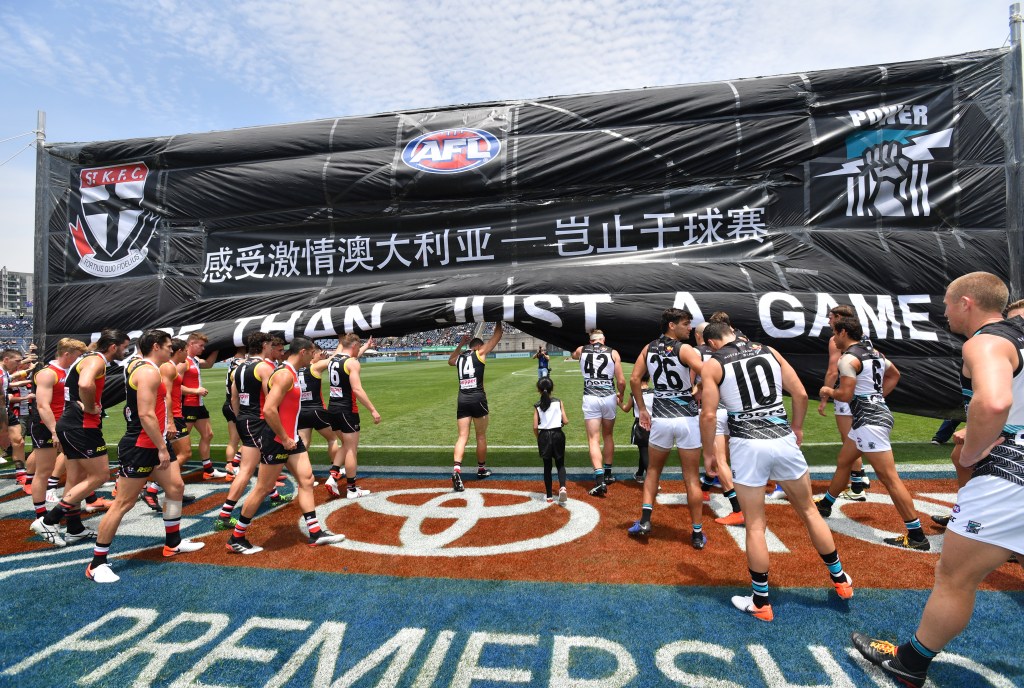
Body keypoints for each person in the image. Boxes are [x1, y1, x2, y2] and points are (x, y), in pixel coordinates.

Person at [852, 272, 1024, 687]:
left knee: (954, 578)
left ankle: (909, 663)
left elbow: (994, 401)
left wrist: (972, 451)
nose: (943, 312)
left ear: (966, 302)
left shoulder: (985, 341)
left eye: (946, 303)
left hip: (1009, 474)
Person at [700, 322, 853, 622]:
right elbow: (799, 393)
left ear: (713, 343)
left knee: (755, 526)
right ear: (732, 330)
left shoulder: (714, 363)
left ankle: (761, 602)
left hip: (748, 445)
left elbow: (708, 414)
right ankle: (840, 579)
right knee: (809, 511)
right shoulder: (769, 350)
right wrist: (797, 427)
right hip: (782, 438)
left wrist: (709, 453)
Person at [84, 330, 205, 583]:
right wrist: (161, 447)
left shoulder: (143, 367)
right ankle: (97, 563)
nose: (172, 350)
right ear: (156, 346)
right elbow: (146, 413)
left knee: (175, 487)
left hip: (153, 440)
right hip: (142, 444)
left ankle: (173, 542)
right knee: (123, 503)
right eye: (168, 346)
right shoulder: (148, 371)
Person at [817, 316, 929, 550]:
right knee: (844, 461)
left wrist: (828, 390)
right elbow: (894, 375)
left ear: (844, 332)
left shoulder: (848, 359)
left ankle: (917, 536)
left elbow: (845, 395)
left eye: (835, 333)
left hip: (869, 422)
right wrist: (876, 398)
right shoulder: (876, 353)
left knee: (889, 478)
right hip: (871, 418)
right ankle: (826, 505)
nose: (833, 339)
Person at [226, 337, 345, 553]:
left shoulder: (292, 372)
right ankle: (237, 537)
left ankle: (315, 532)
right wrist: (284, 437)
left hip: (291, 439)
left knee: (307, 480)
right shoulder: (284, 375)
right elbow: (269, 409)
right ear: (303, 352)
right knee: (263, 488)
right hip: (277, 439)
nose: (314, 356)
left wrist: (291, 437)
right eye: (312, 353)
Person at [626, 309, 707, 549]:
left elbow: (634, 379)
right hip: (686, 418)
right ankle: (696, 533)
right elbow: (708, 372)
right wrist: (698, 390)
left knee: (652, 471)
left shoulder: (648, 348)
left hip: (661, 418)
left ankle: (645, 521)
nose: (689, 328)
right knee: (691, 478)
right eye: (685, 324)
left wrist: (642, 409)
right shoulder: (685, 349)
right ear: (671, 325)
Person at [38, 330, 130, 541]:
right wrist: (89, 407)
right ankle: (49, 520)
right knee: (100, 476)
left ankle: (74, 528)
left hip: (71, 425)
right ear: (113, 346)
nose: (126, 351)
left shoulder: (88, 358)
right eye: (124, 347)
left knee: (75, 479)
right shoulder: (96, 360)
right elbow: (85, 384)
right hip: (81, 426)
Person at [213, 332, 288, 531]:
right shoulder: (264, 367)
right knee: (249, 469)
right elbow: (271, 399)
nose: (272, 348)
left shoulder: (238, 367)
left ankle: (273, 495)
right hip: (260, 421)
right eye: (270, 345)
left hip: (246, 420)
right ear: (264, 345)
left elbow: (234, 398)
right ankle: (224, 515)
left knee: (260, 463)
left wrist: (241, 418)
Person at [27, 338, 86, 545]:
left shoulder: (68, 372)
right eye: (78, 355)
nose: (80, 359)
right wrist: (54, 431)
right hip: (46, 426)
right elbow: (43, 406)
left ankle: (72, 524)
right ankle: (42, 517)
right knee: (44, 470)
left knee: (77, 471)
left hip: (65, 426)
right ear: (67, 354)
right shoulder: (48, 373)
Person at [814, 305, 871, 501]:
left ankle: (857, 485)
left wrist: (825, 397)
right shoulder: (863, 337)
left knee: (849, 440)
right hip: (864, 393)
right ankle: (861, 476)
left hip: (847, 391)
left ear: (839, 318)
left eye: (831, 317)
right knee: (856, 436)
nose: (829, 321)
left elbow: (832, 371)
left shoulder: (836, 340)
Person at [693, 322, 745, 526]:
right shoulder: (740, 349)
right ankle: (706, 487)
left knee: (719, 459)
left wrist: (697, 389)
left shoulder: (699, 353)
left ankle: (738, 509)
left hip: (715, 410)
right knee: (727, 457)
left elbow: (694, 385)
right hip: (736, 409)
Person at [321, 334, 381, 499]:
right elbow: (357, 389)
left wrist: (366, 346)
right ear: (354, 346)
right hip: (347, 410)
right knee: (351, 450)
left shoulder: (333, 360)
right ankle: (352, 490)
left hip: (333, 408)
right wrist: (373, 410)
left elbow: (348, 361)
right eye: (359, 347)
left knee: (346, 445)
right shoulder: (352, 363)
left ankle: (333, 476)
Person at [448, 322, 503, 491]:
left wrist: (460, 344)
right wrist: (498, 320)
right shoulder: (480, 353)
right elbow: (497, 336)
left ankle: (456, 470)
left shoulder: (460, 358)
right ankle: (481, 469)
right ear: (478, 346)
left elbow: (450, 361)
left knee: (462, 437)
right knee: (480, 436)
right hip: (478, 398)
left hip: (462, 399)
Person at [572, 329, 626, 495]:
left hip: (591, 397)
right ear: (604, 339)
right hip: (609, 396)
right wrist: (621, 394)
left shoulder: (582, 350)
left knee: (593, 439)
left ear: (591, 340)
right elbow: (621, 381)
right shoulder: (613, 353)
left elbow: (574, 355)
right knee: (608, 435)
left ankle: (600, 479)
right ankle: (608, 473)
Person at [297, 343, 342, 493]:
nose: (320, 356)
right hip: (316, 410)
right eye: (318, 353)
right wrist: (341, 341)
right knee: (333, 439)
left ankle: (304, 477)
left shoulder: (295, 368)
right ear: (313, 353)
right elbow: (335, 358)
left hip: (300, 411)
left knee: (303, 444)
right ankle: (335, 469)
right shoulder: (314, 367)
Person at [179, 332, 224, 479]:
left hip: (198, 404)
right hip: (187, 405)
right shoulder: (183, 362)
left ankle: (208, 470)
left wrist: (219, 347)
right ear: (191, 344)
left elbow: (209, 364)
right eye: (201, 345)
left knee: (208, 434)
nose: (203, 349)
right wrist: (195, 391)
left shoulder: (195, 360)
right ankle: (161, 476)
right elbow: (174, 386)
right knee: (180, 444)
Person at [533, 377, 568, 504]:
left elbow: (535, 426)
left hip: (544, 436)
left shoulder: (537, 405)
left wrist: (539, 438)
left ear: (538, 389)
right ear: (552, 388)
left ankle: (549, 496)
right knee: (560, 464)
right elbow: (566, 421)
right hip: (558, 434)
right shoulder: (558, 402)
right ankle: (562, 487)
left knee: (547, 466)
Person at [221, 345, 248, 480]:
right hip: (234, 404)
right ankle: (233, 467)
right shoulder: (241, 364)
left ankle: (230, 469)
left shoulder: (233, 363)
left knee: (234, 440)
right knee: (247, 439)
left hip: (228, 403)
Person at [620, 374, 653, 482]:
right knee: (646, 451)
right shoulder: (654, 392)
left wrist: (619, 402)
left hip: (641, 425)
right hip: (655, 424)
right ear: (649, 378)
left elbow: (626, 409)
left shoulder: (635, 394)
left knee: (644, 452)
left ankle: (652, 480)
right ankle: (639, 474)